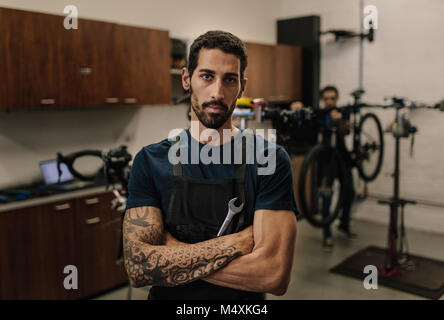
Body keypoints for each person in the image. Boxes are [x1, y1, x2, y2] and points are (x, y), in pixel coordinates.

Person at [123, 30, 298, 300]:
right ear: (186, 79)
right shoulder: (149, 161)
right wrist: (237, 242)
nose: (217, 92)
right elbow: (138, 267)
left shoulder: (269, 160)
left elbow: (272, 275)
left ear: (242, 87)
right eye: (206, 76)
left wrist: (172, 253)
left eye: (230, 79)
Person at [290, 86, 356, 251]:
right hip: (326, 161)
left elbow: (347, 130)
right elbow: (307, 114)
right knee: (326, 197)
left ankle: (344, 224)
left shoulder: (342, 112)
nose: (329, 101)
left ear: (337, 98)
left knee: (350, 192)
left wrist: (341, 121)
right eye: (326, 98)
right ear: (322, 100)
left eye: (332, 98)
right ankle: (327, 235)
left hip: (342, 159)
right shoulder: (319, 114)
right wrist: (297, 107)